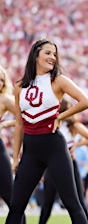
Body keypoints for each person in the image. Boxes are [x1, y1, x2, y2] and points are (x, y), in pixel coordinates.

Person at [6, 38, 88, 224]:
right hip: (30, 151)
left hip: (54, 147)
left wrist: (59, 117)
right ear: (36, 54)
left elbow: (86, 101)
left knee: (72, 203)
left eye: (54, 54)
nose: (52, 57)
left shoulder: (58, 80)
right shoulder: (20, 86)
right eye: (48, 53)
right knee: (16, 206)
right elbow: (19, 124)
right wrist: (15, 158)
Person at [39, 98, 88, 224]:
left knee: (78, 200)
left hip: (68, 164)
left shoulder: (73, 126)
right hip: (54, 165)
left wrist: (76, 145)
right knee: (48, 202)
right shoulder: (53, 125)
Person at [0, 65, 26, 224]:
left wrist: (4, 124)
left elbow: (25, 115)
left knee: (10, 195)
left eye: (2, 80)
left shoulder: (4, 99)